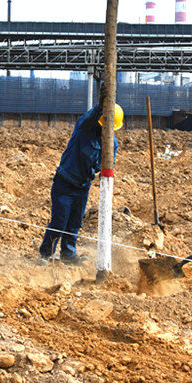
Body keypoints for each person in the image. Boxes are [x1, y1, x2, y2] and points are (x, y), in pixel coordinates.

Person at [38, 97, 123, 266]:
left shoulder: (111, 143)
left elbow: (106, 164)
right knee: (59, 221)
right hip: (65, 183)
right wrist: (100, 107)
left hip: (83, 186)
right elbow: (87, 119)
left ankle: (68, 254)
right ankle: (46, 254)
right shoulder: (84, 129)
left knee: (75, 222)